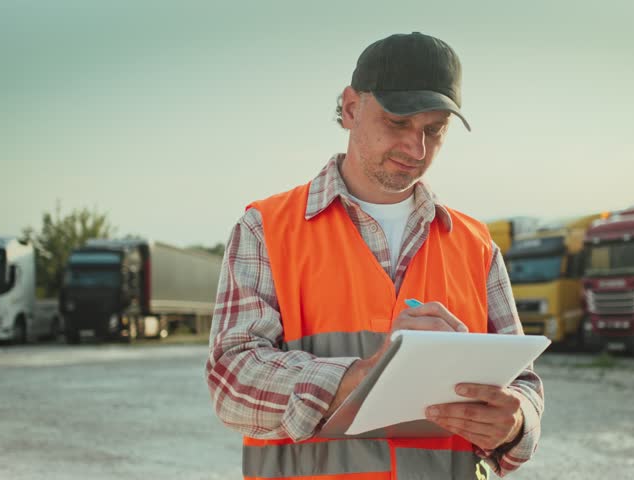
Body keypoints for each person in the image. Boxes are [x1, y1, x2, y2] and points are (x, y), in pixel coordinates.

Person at [206, 31, 544, 479]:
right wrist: (365, 374)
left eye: (434, 130)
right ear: (350, 108)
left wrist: (515, 423)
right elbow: (232, 382)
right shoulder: (266, 228)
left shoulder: (475, 243)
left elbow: (523, 382)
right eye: (398, 122)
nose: (416, 149)